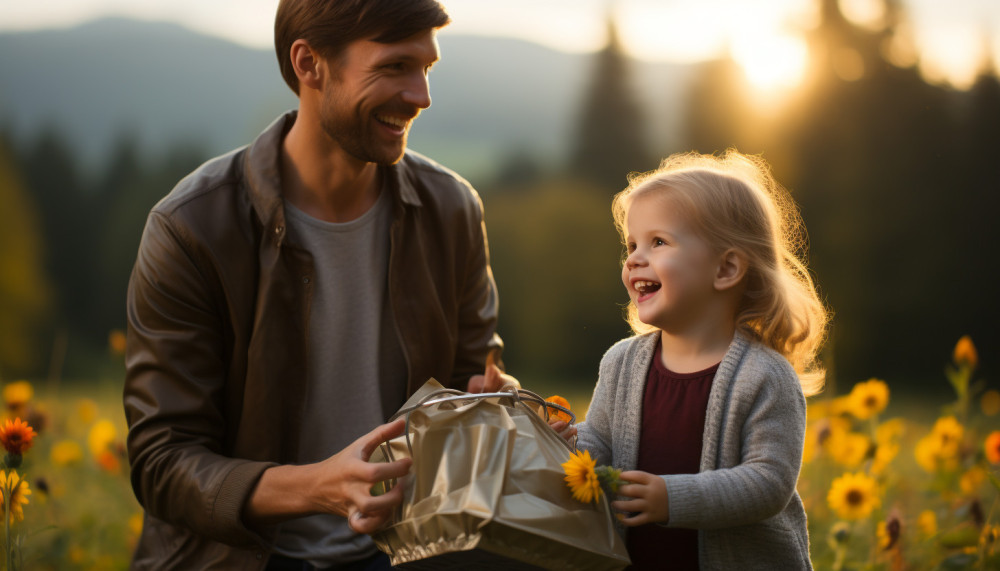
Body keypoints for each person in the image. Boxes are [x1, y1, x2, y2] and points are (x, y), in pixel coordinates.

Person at [123, 1, 509, 569]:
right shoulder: (191, 227)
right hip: (242, 558)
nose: (421, 95)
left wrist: (494, 405)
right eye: (396, 66)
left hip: (408, 548)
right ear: (309, 63)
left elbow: (467, 380)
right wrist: (316, 486)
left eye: (428, 69)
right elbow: (162, 464)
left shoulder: (451, 208)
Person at [575, 150, 829, 570]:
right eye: (631, 245)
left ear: (726, 269)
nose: (635, 258)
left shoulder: (765, 376)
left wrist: (672, 499)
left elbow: (769, 483)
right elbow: (600, 444)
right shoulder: (620, 363)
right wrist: (566, 444)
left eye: (658, 242)